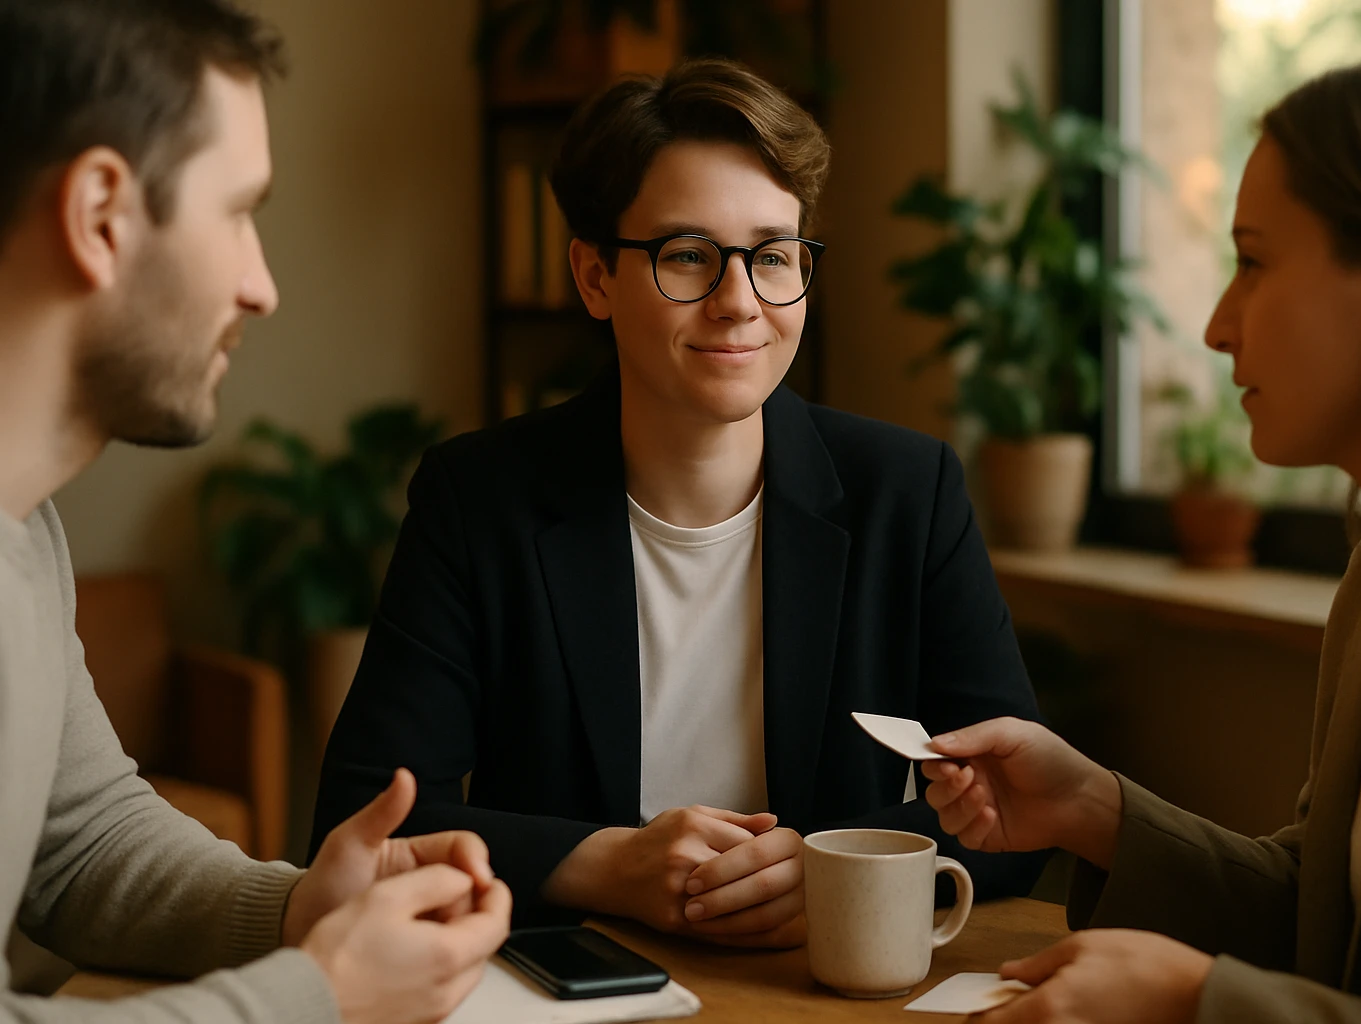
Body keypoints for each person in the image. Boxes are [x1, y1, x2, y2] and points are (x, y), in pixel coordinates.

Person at [311, 57, 1050, 947]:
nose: (739, 302)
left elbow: (1017, 804)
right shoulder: (479, 501)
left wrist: (830, 868)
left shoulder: (906, 492)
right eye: (689, 256)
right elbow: (362, 824)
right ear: (594, 277)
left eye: (772, 256)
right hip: (571, 983)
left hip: (809, 983)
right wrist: (603, 865)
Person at [919, 47, 1361, 1024]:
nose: (1217, 326)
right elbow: (1323, 921)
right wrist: (1093, 807)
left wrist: (1191, 1000)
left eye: (1252, 261)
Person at [0, 2, 512, 1021]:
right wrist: (319, 996)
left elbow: (85, 837)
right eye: (237, 212)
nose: (261, 285)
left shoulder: (26, 526)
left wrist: (295, 908)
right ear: (100, 214)